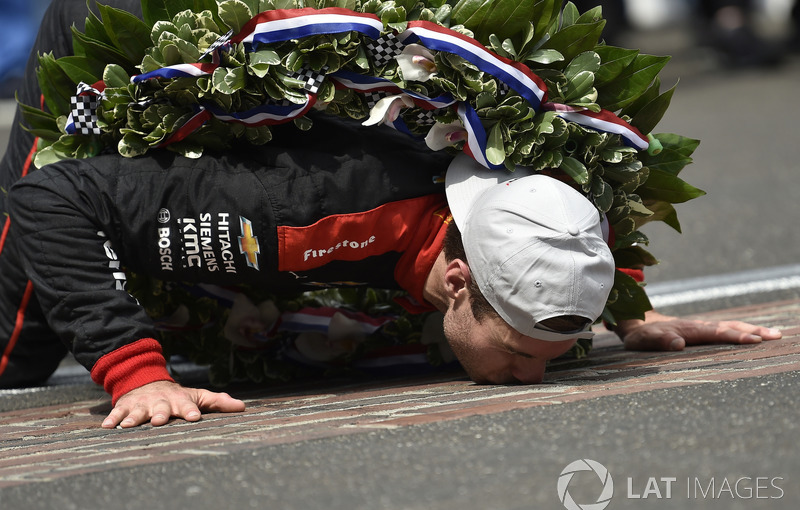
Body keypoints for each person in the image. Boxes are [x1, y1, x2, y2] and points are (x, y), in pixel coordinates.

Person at [0, 0, 781, 430]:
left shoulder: (529, 186)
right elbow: (58, 202)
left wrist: (626, 312)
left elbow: (579, 220)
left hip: (320, 66)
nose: (534, 374)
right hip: (127, 36)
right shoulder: (303, 214)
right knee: (16, 345)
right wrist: (135, 370)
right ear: (457, 278)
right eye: (520, 351)